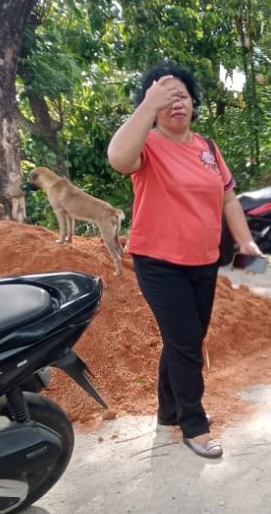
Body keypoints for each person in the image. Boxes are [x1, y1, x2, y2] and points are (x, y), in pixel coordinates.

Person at [107, 64, 262, 459]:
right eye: (164, 96)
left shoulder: (207, 147)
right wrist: (147, 108)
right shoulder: (146, 144)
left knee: (184, 340)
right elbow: (118, 159)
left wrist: (246, 242)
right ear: (149, 103)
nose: (176, 102)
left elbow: (228, 198)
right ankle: (195, 425)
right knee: (186, 342)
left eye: (182, 95)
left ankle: (168, 411)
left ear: (194, 102)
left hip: (204, 262)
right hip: (159, 263)